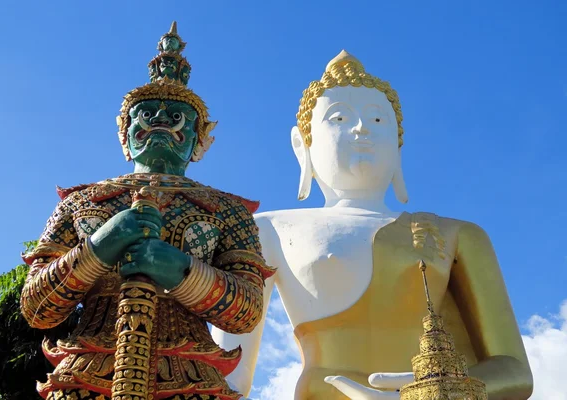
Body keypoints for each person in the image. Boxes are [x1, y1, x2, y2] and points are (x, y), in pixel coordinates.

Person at [212, 50, 533, 400]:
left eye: (378, 120)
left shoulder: (456, 234)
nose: (361, 128)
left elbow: (514, 371)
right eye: (338, 118)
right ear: (301, 145)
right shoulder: (266, 230)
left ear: (398, 148)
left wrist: (427, 394)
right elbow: (229, 375)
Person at [20, 22, 274, 400]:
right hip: (88, 371)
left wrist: (180, 270)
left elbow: (245, 312)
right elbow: (38, 307)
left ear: (200, 141)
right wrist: (103, 243)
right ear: (124, 135)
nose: (159, 121)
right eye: (146, 114)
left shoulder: (227, 211)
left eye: (175, 117)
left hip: (189, 372)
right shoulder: (83, 202)